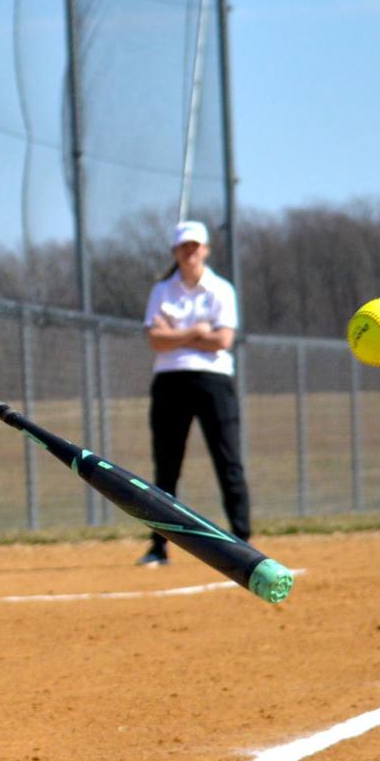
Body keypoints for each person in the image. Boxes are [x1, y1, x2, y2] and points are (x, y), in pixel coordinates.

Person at [137, 220, 250, 566]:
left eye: (196, 245)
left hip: (213, 381)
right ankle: (159, 546)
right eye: (184, 246)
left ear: (206, 250)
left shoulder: (221, 289)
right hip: (170, 381)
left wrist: (177, 334)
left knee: (227, 460)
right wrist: (197, 331)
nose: (190, 252)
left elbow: (223, 340)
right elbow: (155, 340)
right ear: (175, 251)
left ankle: (242, 541)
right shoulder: (162, 290)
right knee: (166, 467)